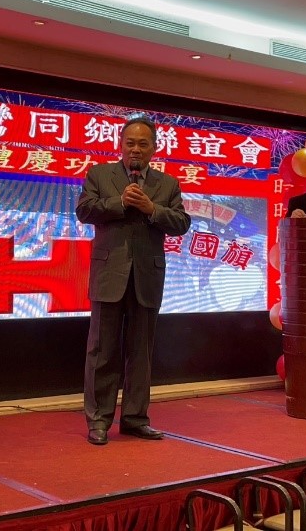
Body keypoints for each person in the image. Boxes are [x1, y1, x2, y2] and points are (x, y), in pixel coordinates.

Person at [75, 114, 191, 446]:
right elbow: (84, 210)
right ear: (120, 145)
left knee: (141, 352)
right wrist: (120, 202)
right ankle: (99, 420)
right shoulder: (100, 175)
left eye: (143, 143)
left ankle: (135, 418)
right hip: (109, 275)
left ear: (154, 148)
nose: (135, 149)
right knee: (102, 351)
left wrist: (152, 209)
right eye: (130, 143)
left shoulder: (167, 184)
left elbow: (182, 222)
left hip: (147, 277)